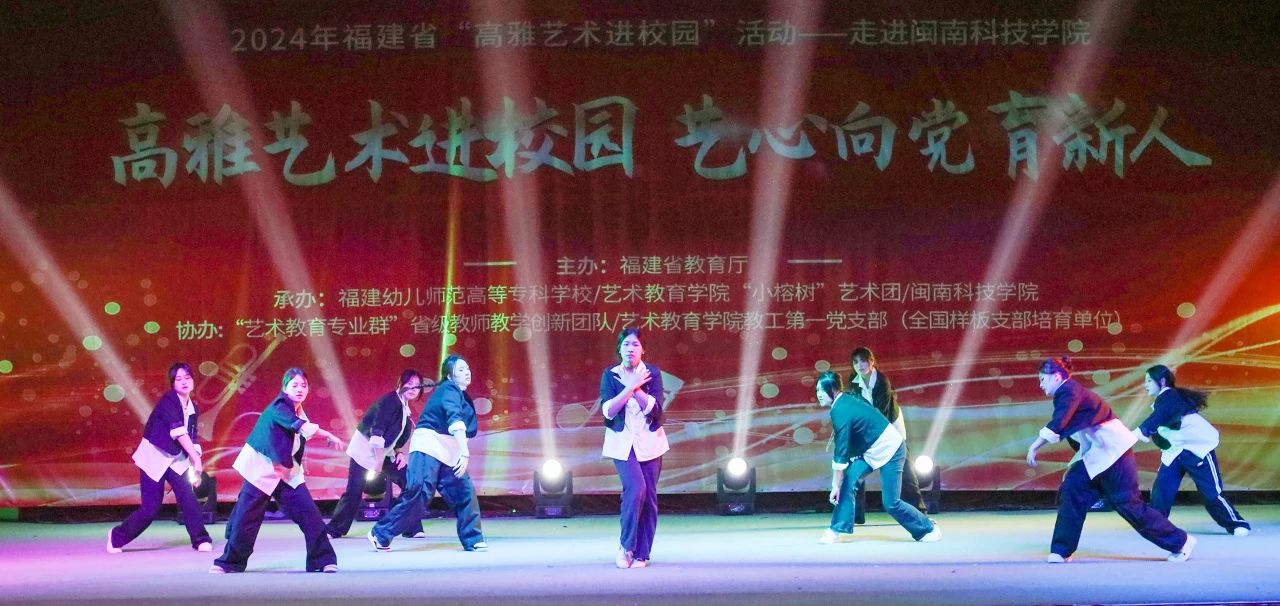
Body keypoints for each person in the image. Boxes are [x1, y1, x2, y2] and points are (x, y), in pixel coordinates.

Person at [1026, 356, 1195, 563]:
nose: (1040, 384)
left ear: (1056, 377)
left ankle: (1181, 542)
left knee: (1128, 504)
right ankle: (1061, 550)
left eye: (1043, 379)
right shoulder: (1069, 392)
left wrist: (1036, 445)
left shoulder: (1069, 390)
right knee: (1072, 489)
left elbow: (1059, 422)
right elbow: (1075, 432)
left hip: (1115, 453)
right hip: (1097, 456)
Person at [210, 367, 345, 573]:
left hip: (286, 473)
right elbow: (297, 426)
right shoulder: (280, 405)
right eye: (294, 385)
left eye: (303, 385)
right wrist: (328, 434)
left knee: (309, 514)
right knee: (246, 519)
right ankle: (230, 563)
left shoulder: (298, 410)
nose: (300, 389)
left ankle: (323, 560)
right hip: (261, 469)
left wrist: (324, 435)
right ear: (285, 388)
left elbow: (302, 430)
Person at [368, 355, 486, 552]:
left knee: (463, 491)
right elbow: (454, 418)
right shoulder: (448, 389)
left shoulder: (460, 393)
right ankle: (380, 534)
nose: (467, 372)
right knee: (420, 493)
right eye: (460, 370)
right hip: (429, 446)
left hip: (448, 450)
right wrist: (465, 454)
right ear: (449, 376)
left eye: (467, 368)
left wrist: (460, 451)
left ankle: (472, 538)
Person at [814, 371, 939, 544]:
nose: (818, 394)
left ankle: (928, 527)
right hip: (870, 452)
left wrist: (834, 485)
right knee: (848, 482)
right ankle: (836, 529)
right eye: (817, 390)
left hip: (892, 449)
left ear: (833, 389)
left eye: (821, 390)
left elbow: (841, 451)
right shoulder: (845, 400)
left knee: (891, 503)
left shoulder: (840, 409)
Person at [108, 362, 213, 553]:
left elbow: (192, 436)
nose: (184, 382)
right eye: (178, 379)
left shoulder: (193, 408)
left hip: (175, 459)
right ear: (172, 383)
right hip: (155, 457)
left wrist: (195, 461)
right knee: (150, 509)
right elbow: (179, 432)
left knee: (188, 498)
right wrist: (196, 460)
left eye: (187, 378)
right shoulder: (168, 401)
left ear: (193, 381)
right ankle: (117, 537)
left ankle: (200, 539)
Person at [1134, 364, 1250, 536]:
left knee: (1210, 493)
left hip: (1196, 448)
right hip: (1175, 452)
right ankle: (1156, 526)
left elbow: (1158, 418)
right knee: (1162, 490)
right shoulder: (1162, 402)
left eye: (1149, 380)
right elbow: (1160, 427)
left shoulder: (1170, 396)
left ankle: (1236, 523)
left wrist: (1142, 430)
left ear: (1162, 381)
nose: (1146, 385)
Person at [325, 369, 429, 539]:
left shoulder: (404, 406)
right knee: (354, 491)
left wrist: (398, 452)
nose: (413, 389)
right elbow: (377, 430)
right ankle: (334, 529)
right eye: (409, 384)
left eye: (417, 386)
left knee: (409, 482)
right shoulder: (390, 401)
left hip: (384, 453)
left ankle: (410, 527)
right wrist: (379, 462)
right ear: (401, 384)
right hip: (365, 451)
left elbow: (396, 436)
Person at [599, 328, 668, 569]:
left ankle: (642, 553)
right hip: (622, 443)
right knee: (636, 488)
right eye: (626, 344)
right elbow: (608, 411)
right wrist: (628, 387)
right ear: (619, 348)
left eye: (635, 344)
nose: (630, 349)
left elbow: (655, 409)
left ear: (643, 349)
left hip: (650, 442)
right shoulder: (610, 375)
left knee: (649, 497)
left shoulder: (652, 374)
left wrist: (637, 388)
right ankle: (626, 546)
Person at [847, 347, 929, 513]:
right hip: (868, 428)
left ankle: (919, 510)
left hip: (890, 427)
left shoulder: (882, 381)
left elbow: (882, 413)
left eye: (863, 361)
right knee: (854, 467)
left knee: (904, 468)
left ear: (872, 361)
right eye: (855, 362)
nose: (859, 365)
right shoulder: (853, 381)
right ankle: (855, 513)